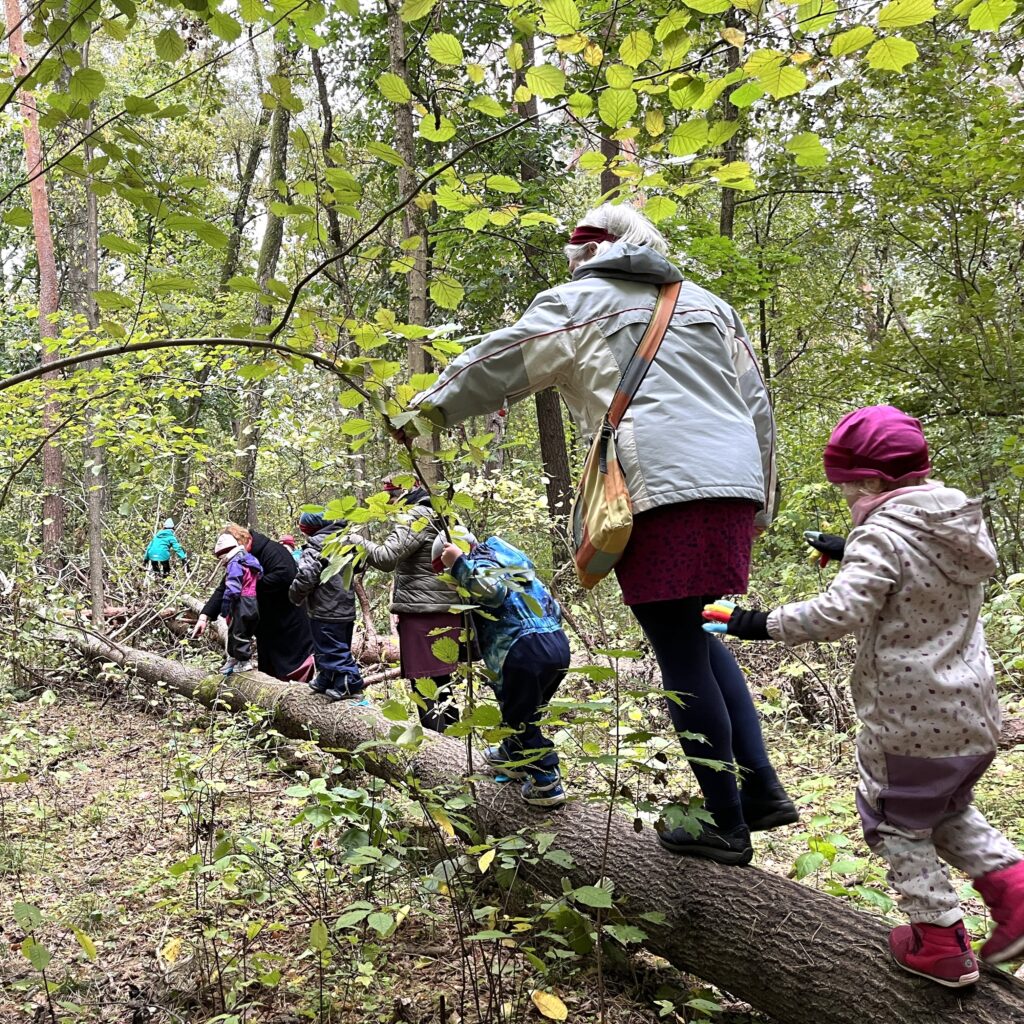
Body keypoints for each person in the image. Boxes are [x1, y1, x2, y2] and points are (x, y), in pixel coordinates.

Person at [409, 202, 792, 864]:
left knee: (678, 646)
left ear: (590, 253)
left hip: (664, 487)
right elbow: (757, 405)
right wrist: (761, 497)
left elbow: (503, 358)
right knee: (699, 631)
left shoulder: (583, 300)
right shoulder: (710, 305)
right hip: (731, 487)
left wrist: (424, 412)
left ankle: (727, 823)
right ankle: (756, 790)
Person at [703, 405, 1024, 986]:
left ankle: (940, 941)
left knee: (895, 822)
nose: (848, 501)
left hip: (911, 716)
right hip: (973, 714)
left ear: (873, 482)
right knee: (947, 809)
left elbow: (841, 610)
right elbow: (915, 573)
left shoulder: (880, 532)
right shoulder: (953, 521)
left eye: (848, 490)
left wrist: (754, 621)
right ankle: (1017, 894)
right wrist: (849, 548)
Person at [433, 527, 570, 808]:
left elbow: (491, 592)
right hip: (556, 642)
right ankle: (514, 755)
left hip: (522, 650)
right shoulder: (510, 562)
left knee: (520, 718)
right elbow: (552, 608)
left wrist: (458, 564)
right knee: (528, 709)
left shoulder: (479, 566)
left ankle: (546, 781)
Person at [344, 479, 465, 732]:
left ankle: (436, 747)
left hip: (424, 612)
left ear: (405, 493)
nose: (389, 503)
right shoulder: (442, 513)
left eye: (391, 496)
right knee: (440, 681)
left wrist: (354, 539)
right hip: (442, 609)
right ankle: (453, 741)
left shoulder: (418, 514)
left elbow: (387, 558)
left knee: (424, 682)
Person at [193, 524, 314, 681]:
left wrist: (251, 586)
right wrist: (205, 616)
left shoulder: (272, 550)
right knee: (269, 673)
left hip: (289, 620)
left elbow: (285, 576)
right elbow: (225, 586)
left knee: (294, 668)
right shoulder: (239, 559)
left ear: (241, 540)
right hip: (265, 624)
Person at [288, 512, 366, 702]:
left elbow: (306, 576)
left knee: (333, 649)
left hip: (326, 608)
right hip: (344, 607)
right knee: (329, 647)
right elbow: (360, 565)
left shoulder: (316, 546)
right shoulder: (346, 544)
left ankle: (350, 682)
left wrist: (294, 594)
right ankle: (327, 677)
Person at [212, 531, 262, 674]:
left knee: (239, 632)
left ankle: (244, 661)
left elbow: (233, 587)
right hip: (252, 600)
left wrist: (226, 605)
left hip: (242, 600)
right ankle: (233, 657)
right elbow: (260, 573)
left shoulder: (235, 563)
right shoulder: (249, 559)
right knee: (237, 629)